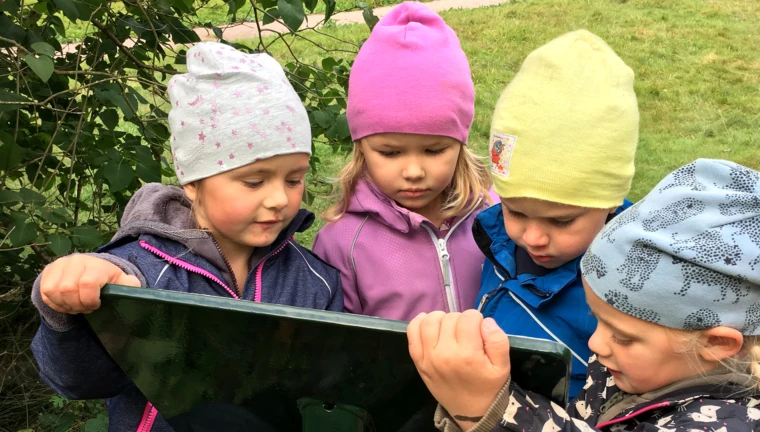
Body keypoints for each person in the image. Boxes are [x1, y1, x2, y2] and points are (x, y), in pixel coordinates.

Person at [30, 42, 342, 432]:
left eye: (294, 179)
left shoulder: (315, 282)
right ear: (193, 183)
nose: (279, 198)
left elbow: (330, 395)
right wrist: (67, 312)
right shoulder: (139, 274)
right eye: (253, 181)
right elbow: (77, 382)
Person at [409, 158, 760, 432]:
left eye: (624, 336)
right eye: (598, 320)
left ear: (718, 343)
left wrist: (490, 407)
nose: (596, 344)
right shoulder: (623, 367)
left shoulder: (730, 423)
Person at [472, 30, 637, 399]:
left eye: (561, 221)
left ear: (610, 201)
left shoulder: (632, 287)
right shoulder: (496, 238)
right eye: (515, 210)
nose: (532, 238)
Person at [313, 2, 491, 321]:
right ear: (361, 147)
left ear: (461, 143)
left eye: (434, 150)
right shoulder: (341, 244)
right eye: (390, 153)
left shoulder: (496, 218)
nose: (413, 172)